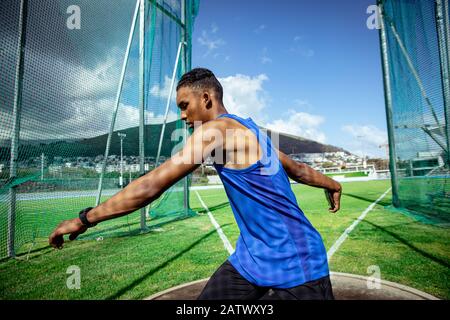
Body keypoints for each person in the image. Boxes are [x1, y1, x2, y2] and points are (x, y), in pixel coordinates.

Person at [49, 68, 342, 300]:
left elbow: (152, 185)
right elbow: (299, 170)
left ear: (206, 99)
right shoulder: (253, 131)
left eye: (185, 105)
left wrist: (85, 219)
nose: (182, 115)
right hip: (252, 261)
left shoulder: (216, 131)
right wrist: (333, 184)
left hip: (298, 263)